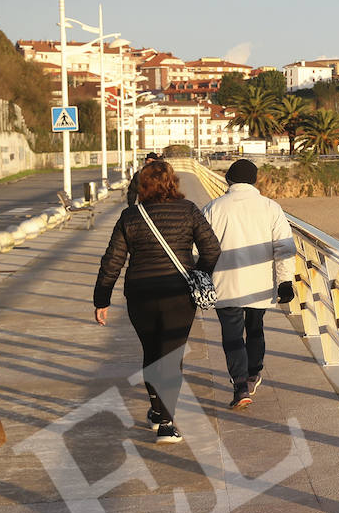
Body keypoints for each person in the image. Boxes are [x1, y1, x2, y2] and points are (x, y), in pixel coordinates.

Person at [95, 159, 220, 444]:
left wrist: (101, 298)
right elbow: (212, 249)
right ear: (173, 182)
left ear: (143, 185)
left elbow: (112, 260)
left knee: (152, 352)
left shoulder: (131, 215)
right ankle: (166, 422)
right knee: (171, 356)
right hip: (178, 294)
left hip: (140, 294)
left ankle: (156, 410)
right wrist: (198, 275)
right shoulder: (188, 210)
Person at [202, 159, 296, 409]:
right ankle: (254, 373)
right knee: (255, 328)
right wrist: (285, 281)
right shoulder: (270, 207)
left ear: (228, 180)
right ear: (254, 181)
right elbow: (284, 247)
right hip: (259, 283)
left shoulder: (213, 208)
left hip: (225, 284)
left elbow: (199, 248)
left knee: (231, 334)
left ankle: (240, 385)